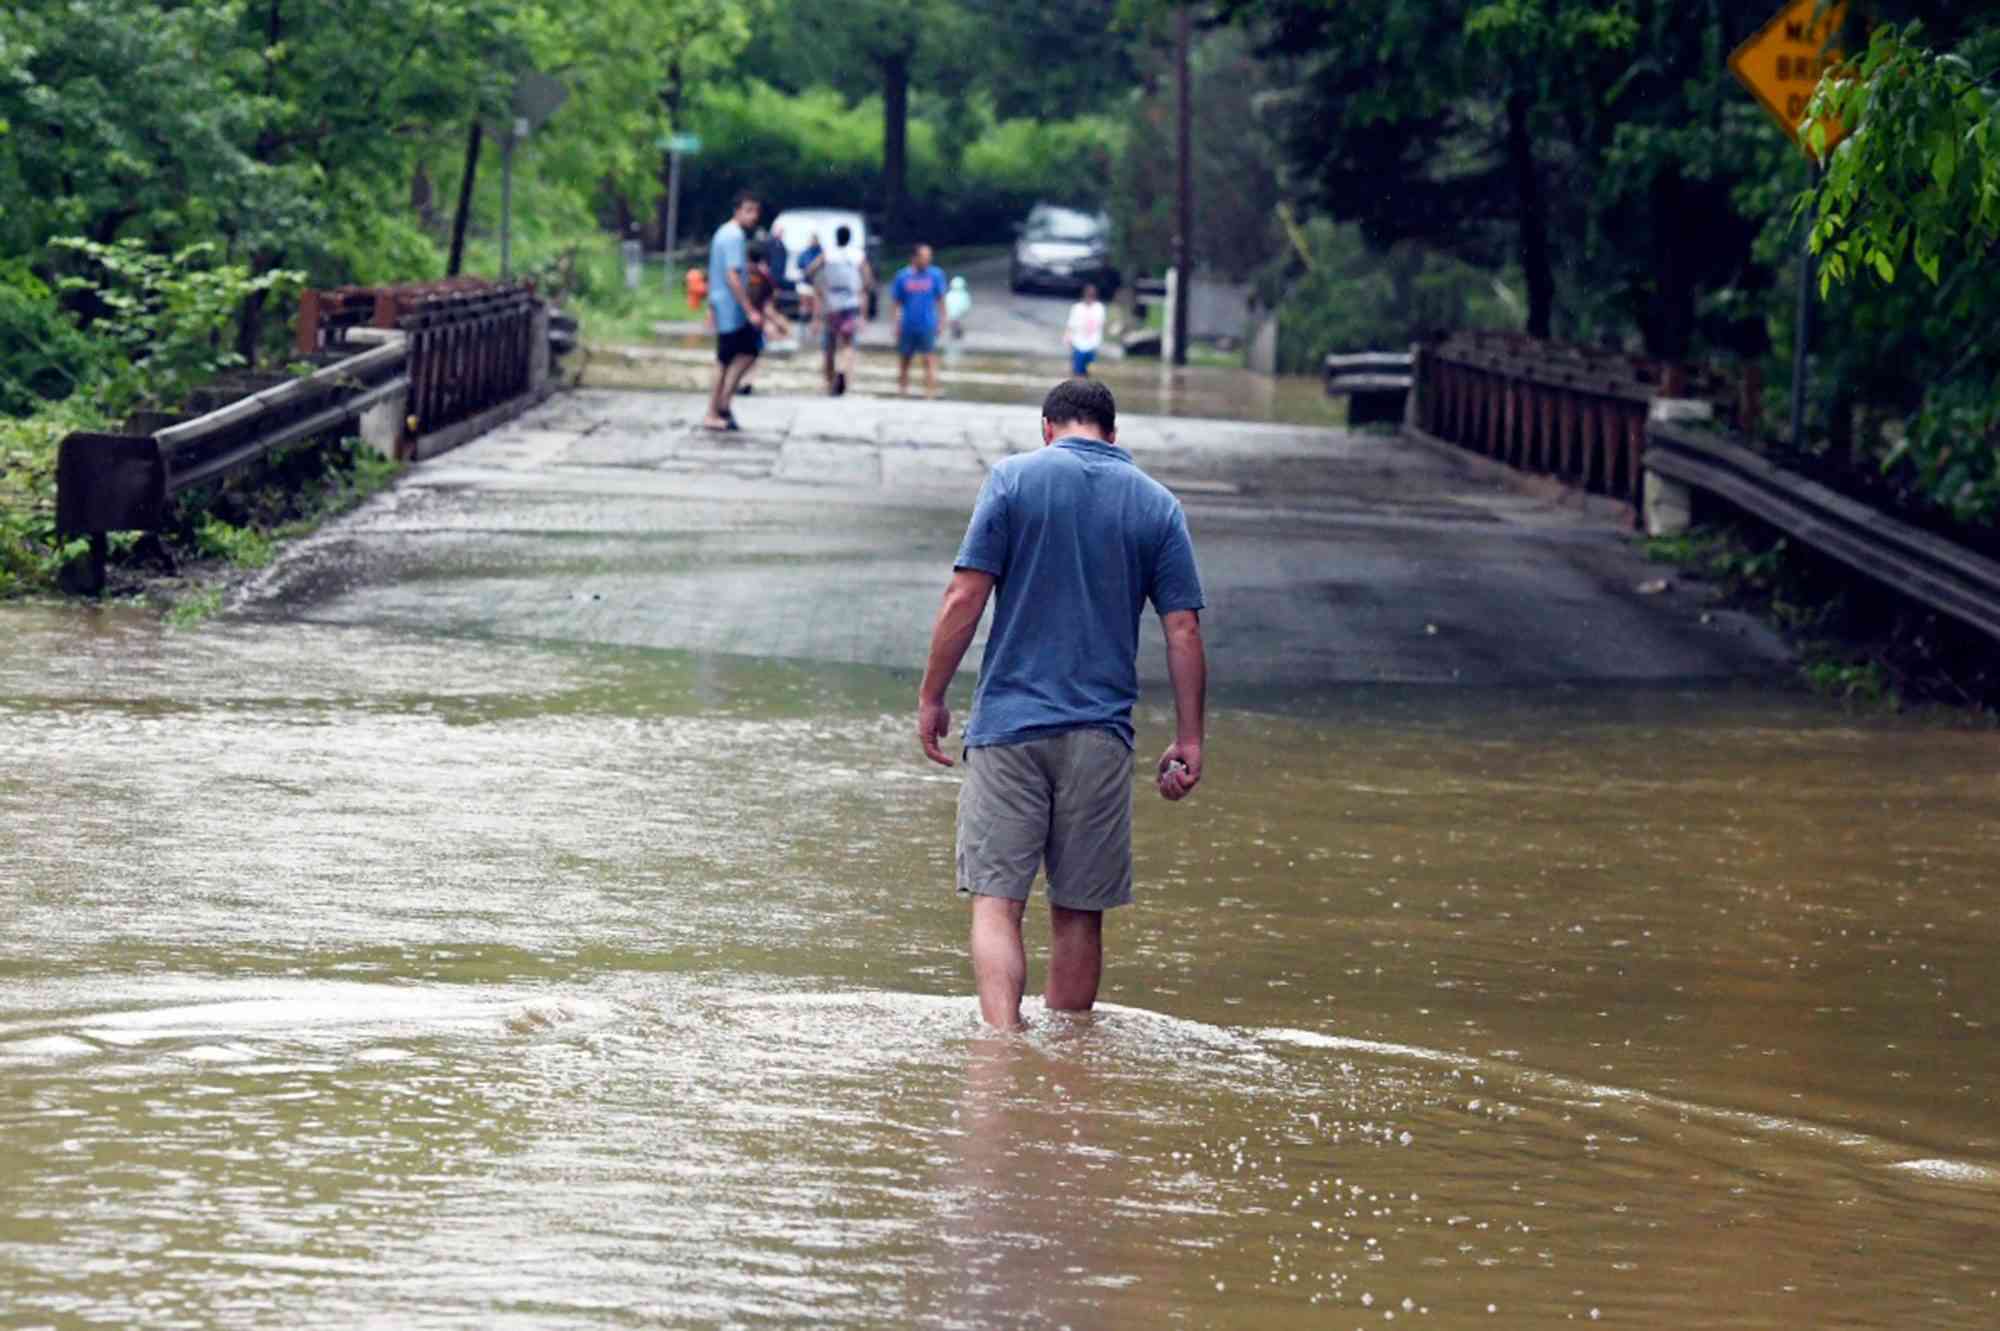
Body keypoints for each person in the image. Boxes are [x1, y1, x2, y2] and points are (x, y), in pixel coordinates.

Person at [916, 378, 1208, 1031]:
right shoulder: (1157, 506)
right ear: (1113, 432)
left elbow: (964, 597)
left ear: (1046, 428)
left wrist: (933, 693)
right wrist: (1190, 738)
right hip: (1100, 737)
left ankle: (1002, 1049)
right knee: (1078, 911)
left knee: (997, 902)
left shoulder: (1013, 480)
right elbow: (1183, 628)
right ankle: (1069, 1070)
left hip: (1008, 729)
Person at [704, 190, 761, 432]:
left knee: (736, 354)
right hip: (732, 308)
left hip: (724, 305)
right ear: (737, 210)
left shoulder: (723, 233)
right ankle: (717, 408)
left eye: (756, 211)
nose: (753, 216)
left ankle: (722, 404)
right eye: (749, 210)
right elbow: (731, 275)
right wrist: (749, 309)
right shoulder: (734, 235)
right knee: (733, 356)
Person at [808, 223, 872, 396]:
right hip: (851, 302)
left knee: (829, 344)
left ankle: (829, 382)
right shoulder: (857, 255)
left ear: (836, 237)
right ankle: (844, 373)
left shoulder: (828, 253)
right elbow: (867, 279)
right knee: (848, 343)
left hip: (831, 303)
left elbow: (811, 269)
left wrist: (818, 284)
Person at [891, 243, 948, 398]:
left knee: (929, 358)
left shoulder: (936, 275)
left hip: (928, 323)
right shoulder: (902, 276)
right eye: (924, 256)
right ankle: (902, 390)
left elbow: (941, 300)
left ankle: (929, 392)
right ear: (914, 258)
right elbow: (896, 303)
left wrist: (942, 321)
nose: (928, 259)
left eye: (929, 256)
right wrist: (896, 324)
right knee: (904, 359)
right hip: (907, 324)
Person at [1063, 283, 1107, 378]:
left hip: (1092, 344)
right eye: (1088, 294)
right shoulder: (1077, 308)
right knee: (1077, 371)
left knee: (1089, 372)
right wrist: (1068, 339)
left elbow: (1101, 325)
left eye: (1092, 295)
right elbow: (1070, 325)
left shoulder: (1099, 308)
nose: (1089, 297)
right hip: (1078, 344)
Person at [945, 275, 972, 341]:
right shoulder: (964, 295)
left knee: (955, 322)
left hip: (954, 314)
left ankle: (956, 332)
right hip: (957, 314)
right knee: (956, 322)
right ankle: (956, 332)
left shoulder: (949, 295)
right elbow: (967, 305)